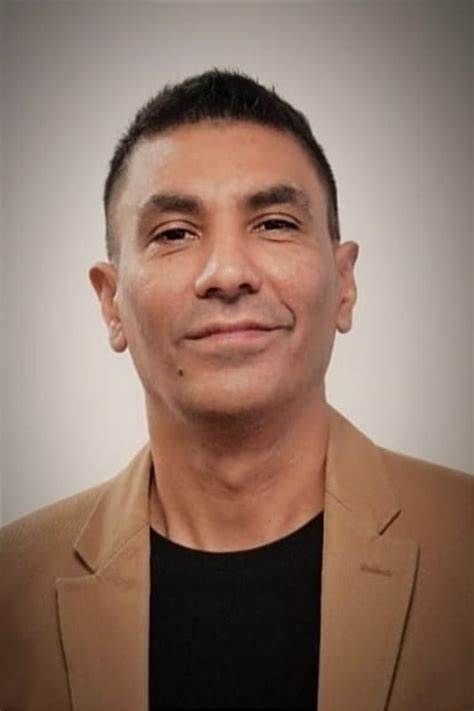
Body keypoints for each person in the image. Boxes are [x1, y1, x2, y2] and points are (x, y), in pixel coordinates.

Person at [0, 69, 472, 711]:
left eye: (274, 223)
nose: (227, 273)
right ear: (111, 304)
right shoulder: (11, 586)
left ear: (344, 284)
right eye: (174, 233)